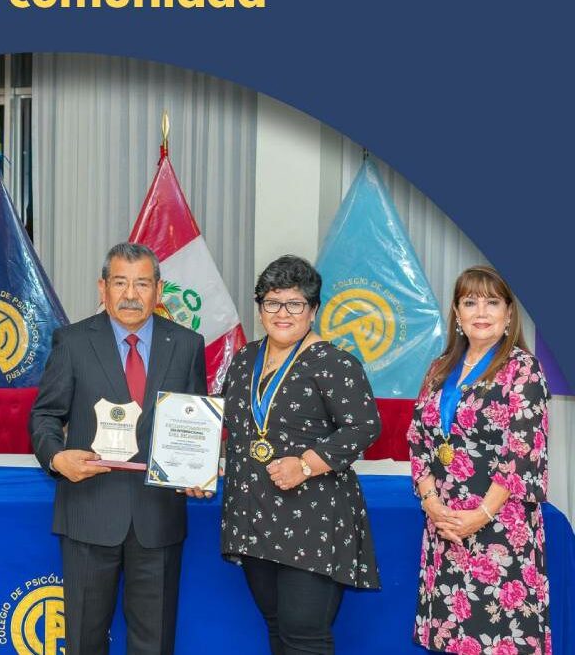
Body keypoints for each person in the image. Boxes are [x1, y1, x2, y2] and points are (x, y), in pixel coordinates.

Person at [29, 242, 207, 655]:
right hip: (89, 512)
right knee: (84, 642)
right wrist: (56, 458)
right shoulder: (71, 342)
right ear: (102, 288)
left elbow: (196, 421)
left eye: (142, 283)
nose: (131, 294)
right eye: (120, 283)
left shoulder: (187, 344)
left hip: (158, 516)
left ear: (158, 291)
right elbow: (44, 416)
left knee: (154, 642)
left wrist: (198, 470)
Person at [221, 254, 381, 655]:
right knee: (277, 629)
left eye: (295, 304)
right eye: (272, 303)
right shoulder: (244, 359)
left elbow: (365, 427)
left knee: (304, 636)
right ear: (259, 308)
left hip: (313, 517)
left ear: (313, 310)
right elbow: (230, 425)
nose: (282, 313)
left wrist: (307, 464)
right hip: (253, 515)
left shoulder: (335, 362)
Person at [407, 265, 551, 654]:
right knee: (451, 637)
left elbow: (521, 451)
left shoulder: (523, 370)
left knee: (497, 638)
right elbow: (419, 441)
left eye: (492, 302)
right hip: (445, 528)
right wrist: (433, 505)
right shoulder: (439, 369)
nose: (481, 312)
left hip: (499, 527)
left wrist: (481, 515)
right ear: (456, 313)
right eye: (470, 302)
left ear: (508, 313)